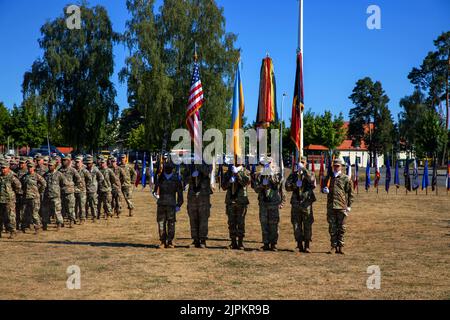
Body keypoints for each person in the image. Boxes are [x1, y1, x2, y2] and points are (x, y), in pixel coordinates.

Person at [285, 156, 317, 253]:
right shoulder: (293, 175)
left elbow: (311, 180)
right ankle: (299, 244)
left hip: (306, 203)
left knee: (307, 224)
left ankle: (307, 245)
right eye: (300, 163)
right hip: (296, 203)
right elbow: (287, 186)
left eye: (303, 162)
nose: (301, 164)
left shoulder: (310, 173)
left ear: (306, 163)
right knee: (296, 224)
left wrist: (303, 169)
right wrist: (295, 185)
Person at [252, 159, 285, 251]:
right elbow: (256, 189)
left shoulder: (277, 174)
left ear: (272, 164)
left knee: (274, 224)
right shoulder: (259, 176)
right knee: (264, 224)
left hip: (273, 203)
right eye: (265, 164)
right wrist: (262, 185)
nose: (266, 165)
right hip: (263, 203)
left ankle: (274, 244)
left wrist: (271, 174)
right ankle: (266, 243)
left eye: (269, 163)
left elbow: (277, 183)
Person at [322, 158, 354, 254]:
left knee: (342, 228)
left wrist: (349, 205)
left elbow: (350, 193)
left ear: (341, 167)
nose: (336, 167)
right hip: (331, 206)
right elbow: (323, 187)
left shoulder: (345, 178)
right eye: (334, 166)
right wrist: (324, 190)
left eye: (338, 166)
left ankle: (341, 247)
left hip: (341, 206)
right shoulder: (329, 178)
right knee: (332, 227)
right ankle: (333, 246)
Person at [154, 161, 184, 249]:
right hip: (161, 204)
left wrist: (179, 204)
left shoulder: (176, 179)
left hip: (171, 204)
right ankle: (163, 241)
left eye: (169, 168)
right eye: (166, 168)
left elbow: (180, 193)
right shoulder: (160, 178)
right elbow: (156, 190)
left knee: (171, 223)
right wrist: (156, 195)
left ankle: (170, 241)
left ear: (172, 169)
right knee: (161, 223)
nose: (167, 169)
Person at [221, 163, 250, 250]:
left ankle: (240, 243)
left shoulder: (246, 171)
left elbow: (246, 182)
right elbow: (223, 187)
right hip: (230, 201)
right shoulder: (228, 172)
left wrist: (237, 174)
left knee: (241, 222)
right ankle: (233, 242)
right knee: (231, 222)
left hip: (241, 201)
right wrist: (229, 182)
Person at [184, 163, 213, 248]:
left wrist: (199, 165)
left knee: (203, 218)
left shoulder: (208, 163)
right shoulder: (189, 164)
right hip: (192, 195)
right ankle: (195, 240)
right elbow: (184, 178)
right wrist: (191, 176)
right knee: (193, 218)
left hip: (203, 195)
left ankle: (203, 240)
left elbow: (208, 172)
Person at [21, 162, 47, 234]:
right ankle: (26, 226)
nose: (30, 168)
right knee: (25, 213)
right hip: (26, 197)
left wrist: (39, 191)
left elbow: (44, 184)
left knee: (34, 213)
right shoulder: (25, 176)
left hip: (34, 197)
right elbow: (22, 185)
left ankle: (37, 227)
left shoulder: (37, 176)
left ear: (34, 168)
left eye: (31, 167)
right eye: (29, 167)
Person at [0, 160, 22, 239]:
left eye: (4, 168)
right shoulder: (0, 176)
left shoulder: (12, 176)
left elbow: (18, 186)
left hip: (9, 200)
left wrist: (12, 193)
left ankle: (13, 231)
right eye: (2, 168)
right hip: (1, 200)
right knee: (1, 217)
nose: (3, 170)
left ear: (8, 168)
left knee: (11, 216)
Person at [42, 160, 67, 230]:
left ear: (54, 166)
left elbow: (64, 183)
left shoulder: (59, 174)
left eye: (51, 165)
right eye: (49, 165)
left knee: (57, 211)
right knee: (45, 211)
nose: (49, 167)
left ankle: (59, 224)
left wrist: (59, 191)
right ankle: (45, 224)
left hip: (56, 196)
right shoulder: (46, 175)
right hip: (47, 196)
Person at [59, 155, 82, 227]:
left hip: (70, 192)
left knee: (71, 208)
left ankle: (71, 221)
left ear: (68, 161)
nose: (63, 161)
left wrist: (74, 188)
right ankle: (61, 222)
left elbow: (78, 180)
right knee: (62, 208)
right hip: (61, 192)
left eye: (65, 160)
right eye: (63, 160)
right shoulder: (59, 170)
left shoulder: (72, 170)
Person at [85, 155, 104, 222]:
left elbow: (101, 177)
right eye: (87, 163)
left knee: (93, 204)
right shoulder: (85, 169)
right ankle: (85, 216)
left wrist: (97, 184)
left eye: (89, 163)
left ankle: (94, 217)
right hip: (85, 189)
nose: (88, 164)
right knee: (85, 204)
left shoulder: (95, 169)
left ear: (92, 163)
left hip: (93, 190)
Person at [74, 156, 91, 224]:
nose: (77, 163)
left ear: (81, 163)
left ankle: (82, 218)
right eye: (76, 162)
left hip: (82, 191)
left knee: (82, 206)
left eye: (78, 162)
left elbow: (89, 179)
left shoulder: (84, 171)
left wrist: (85, 186)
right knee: (75, 206)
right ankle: (75, 218)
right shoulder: (73, 170)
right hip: (75, 190)